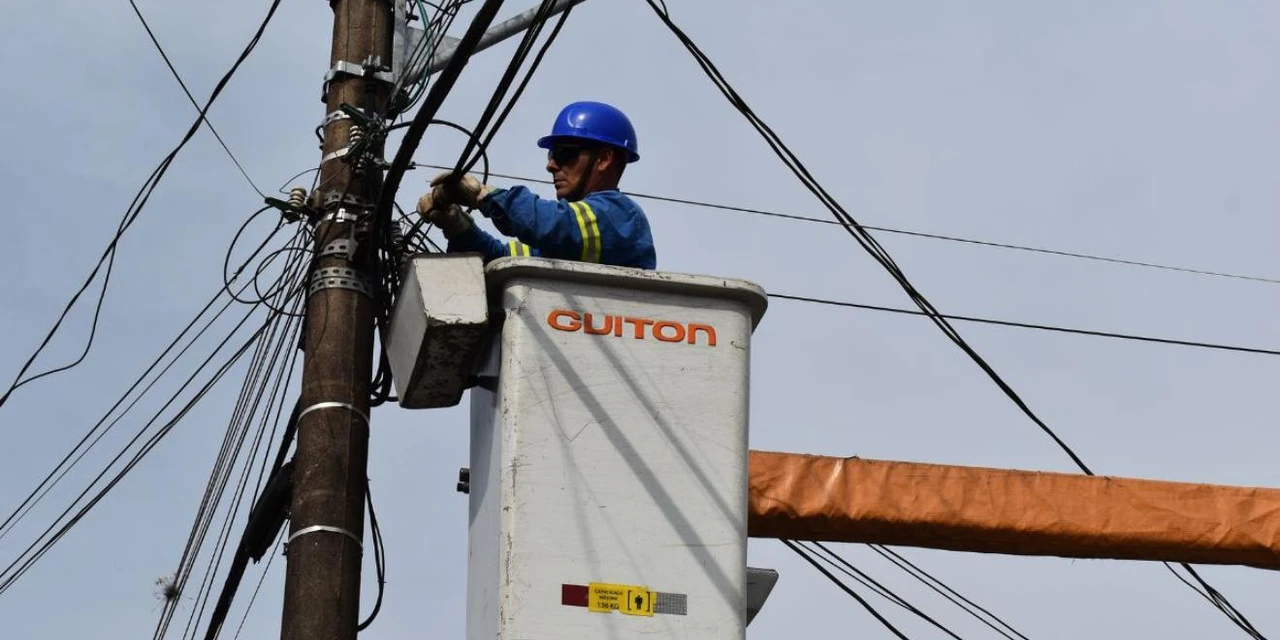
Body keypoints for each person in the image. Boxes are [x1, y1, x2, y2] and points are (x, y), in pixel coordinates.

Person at [417, 101, 656, 269]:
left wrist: (483, 195)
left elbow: (553, 223)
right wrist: (457, 225)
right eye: (551, 154)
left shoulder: (620, 217)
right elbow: (502, 258)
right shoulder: (566, 243)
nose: (551, 165)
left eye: (564, 154)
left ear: (604, 159)